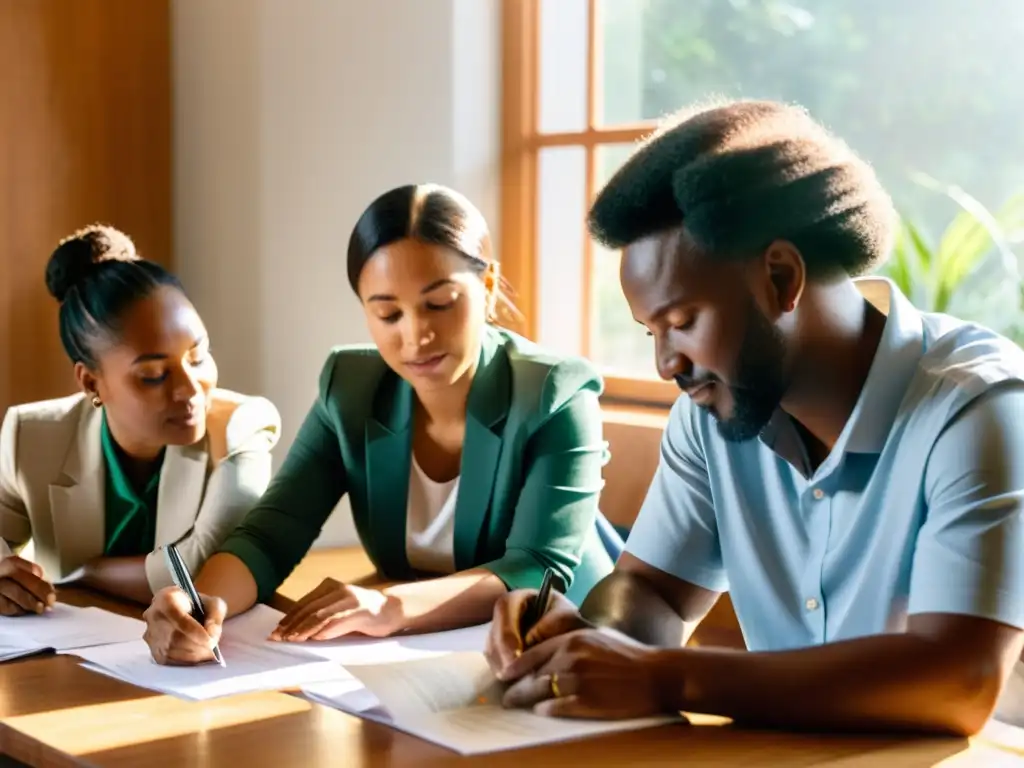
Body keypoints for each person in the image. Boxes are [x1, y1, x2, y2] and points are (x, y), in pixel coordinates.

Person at [484, 99, 1024, 737]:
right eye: (650, 330)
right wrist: (588, 637)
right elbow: (652, 592)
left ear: (781, 277)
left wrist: (664, 675)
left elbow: (959, 682)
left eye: (682, 323)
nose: (665, 363)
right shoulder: (714, 411)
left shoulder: (976, 409)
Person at [142, 183, 623, 664]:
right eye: (388, 313)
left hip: (565, 645)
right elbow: (272, 535)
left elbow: (536, 568)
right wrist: (200, 604)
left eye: (439, 304)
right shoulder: (350, 388)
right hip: (421, 652)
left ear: (489, 287)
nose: (416, 336)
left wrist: (389, 604)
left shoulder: (556, 392)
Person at [0, 224, 281, 612]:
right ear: (91, 382)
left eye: (198, 357)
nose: (190, 388)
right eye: (153, 375)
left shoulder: (241, 428)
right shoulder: (32, 436)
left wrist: (88, 574)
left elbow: (204, 565)